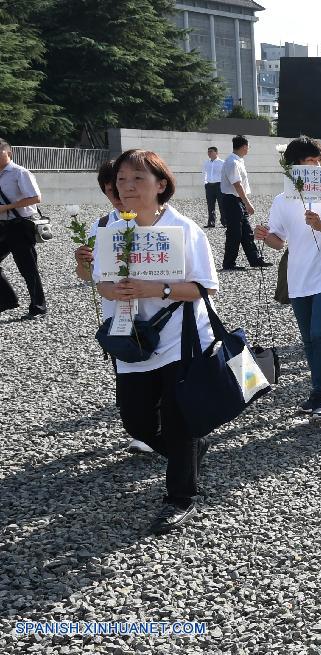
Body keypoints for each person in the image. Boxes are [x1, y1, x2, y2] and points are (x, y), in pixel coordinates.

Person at [95, 149, 218, 534]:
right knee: (136, 420)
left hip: (179, 339)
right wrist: (113, 291)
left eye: (138, 179)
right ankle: (189, 454)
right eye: (122, 179)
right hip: (131, 338)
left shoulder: (185, 229)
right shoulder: (111, 228)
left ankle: (180, 496)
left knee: (180, 421)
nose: (127, 187)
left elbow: (203, 287)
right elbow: (99, 279)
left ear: (161, 184)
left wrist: (157, 287)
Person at [255, 137, 321, 416]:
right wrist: (264, 235)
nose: (316, 166)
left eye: (319, 161)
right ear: (294, 165)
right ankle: (318, 391)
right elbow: (279, 242)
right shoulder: (283, 199)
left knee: (320, 332)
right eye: (309, 161)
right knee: (308, 338)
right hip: (298, 276)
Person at [74, 160, 154, 455]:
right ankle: (144, 430)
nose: (119, 197)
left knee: (159, 369)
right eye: (112, 191)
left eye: (124, 187)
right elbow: (87, 277)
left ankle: (163, 432)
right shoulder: (103, 226)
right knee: (129, 368)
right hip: (118, 314)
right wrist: (82, 260)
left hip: (157, 312)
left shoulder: (156, 221)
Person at [0, 138, 47, 319]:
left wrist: (7, 207)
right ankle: (7, 300)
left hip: (19, 226)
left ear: (8, 153)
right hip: (2, 226)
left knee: (28, 269)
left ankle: (38, 307)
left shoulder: (20, 173)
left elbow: (36, 197)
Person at [220, 135, 270, 271]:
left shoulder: (238, 161)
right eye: (248, 146)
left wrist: (244, 202)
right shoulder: (232, 162)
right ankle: (229, 263)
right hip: (232, 200)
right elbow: (237, 185)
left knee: (246, 232)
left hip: (237, 200)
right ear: (243, 147)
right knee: (234, 233)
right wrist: (247, 203)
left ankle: (255, 259)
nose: (248, 149)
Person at [202, 146, 224, 227]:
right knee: (210, 205)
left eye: (211, 151)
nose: (209, 153)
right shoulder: (206, 163)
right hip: (209, 186)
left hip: (219, 186)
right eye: (208, 152)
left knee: (222, 204)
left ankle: (224, 222)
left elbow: (225, 175)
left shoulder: (222, 163)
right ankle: (211, 223)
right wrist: (205, 183)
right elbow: (204, 173)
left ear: (216, 153)